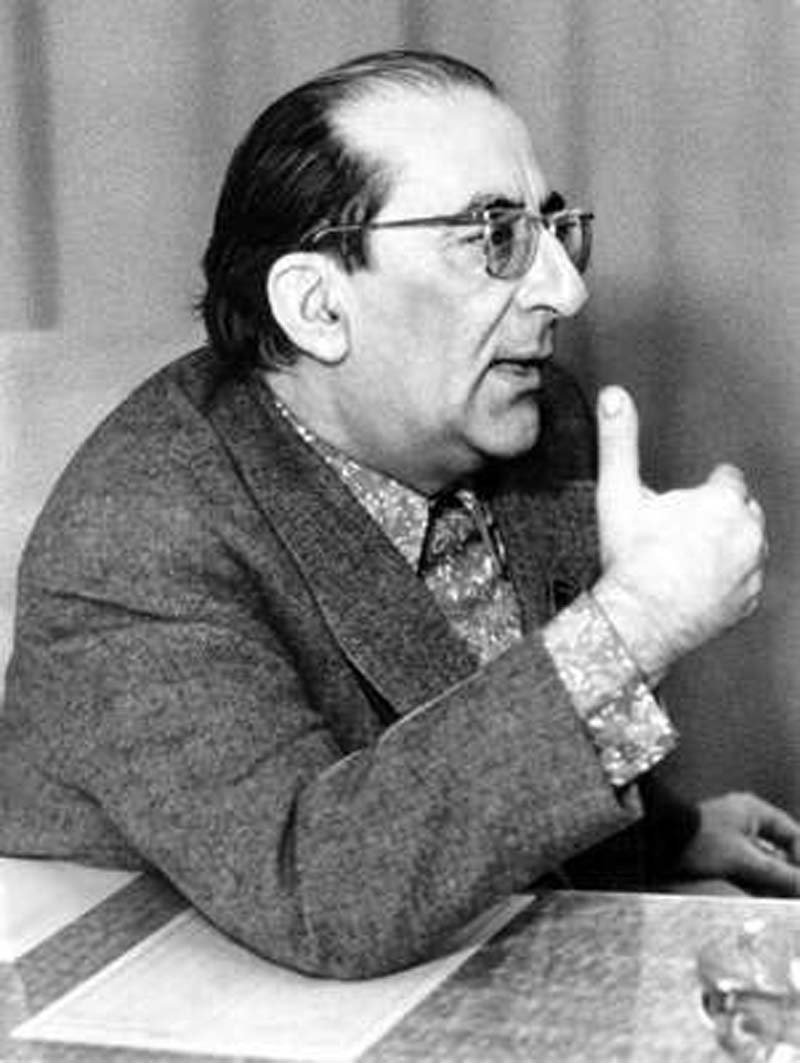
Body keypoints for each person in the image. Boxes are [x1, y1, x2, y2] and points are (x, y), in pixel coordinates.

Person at [1, 49, 798, 979]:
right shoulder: (137, 531)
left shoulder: (537, 423)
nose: (566, 290)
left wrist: (668, 835)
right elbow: (316, 889)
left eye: (550, 229)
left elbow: (483, 729)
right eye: (493, 236)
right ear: (318, 306)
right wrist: (638, 623)